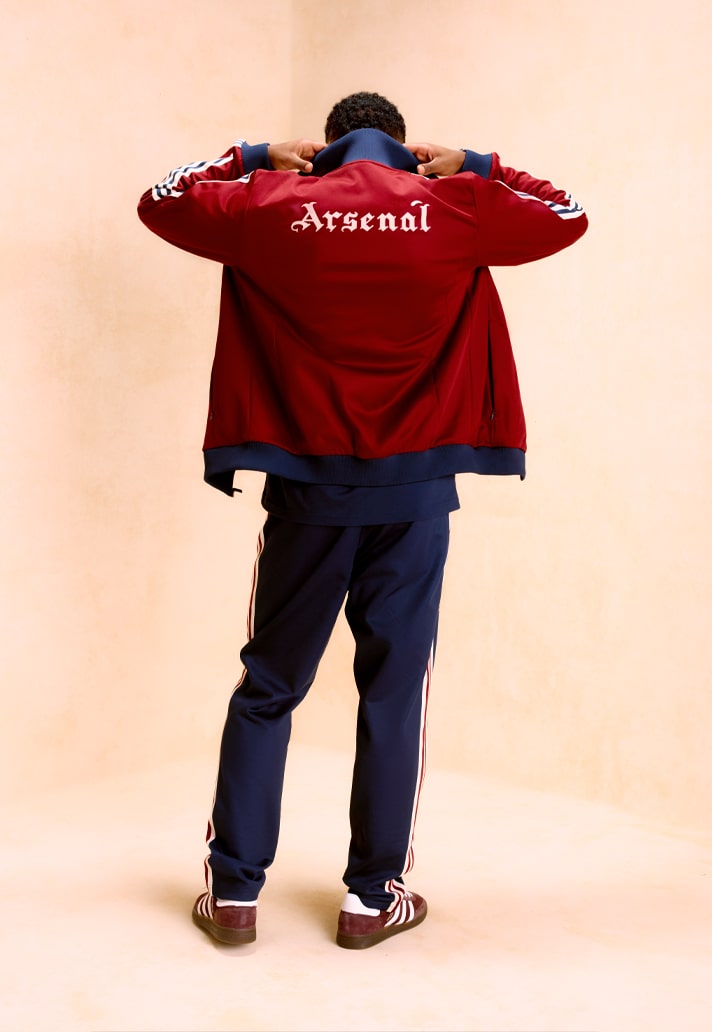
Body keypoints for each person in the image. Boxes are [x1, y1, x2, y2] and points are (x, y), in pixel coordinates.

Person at [137, 91, 587, 949]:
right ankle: (371, 899)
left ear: (327, 145)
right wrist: (481, 166)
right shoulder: (455, 206)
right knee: (393, 693)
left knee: (269, 687)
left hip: (307, 494)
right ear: (406, 147)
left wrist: (252, 155)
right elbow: (569, 214)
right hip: (414, 497)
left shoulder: (270, 205)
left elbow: (161, 201)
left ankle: (234, 896)